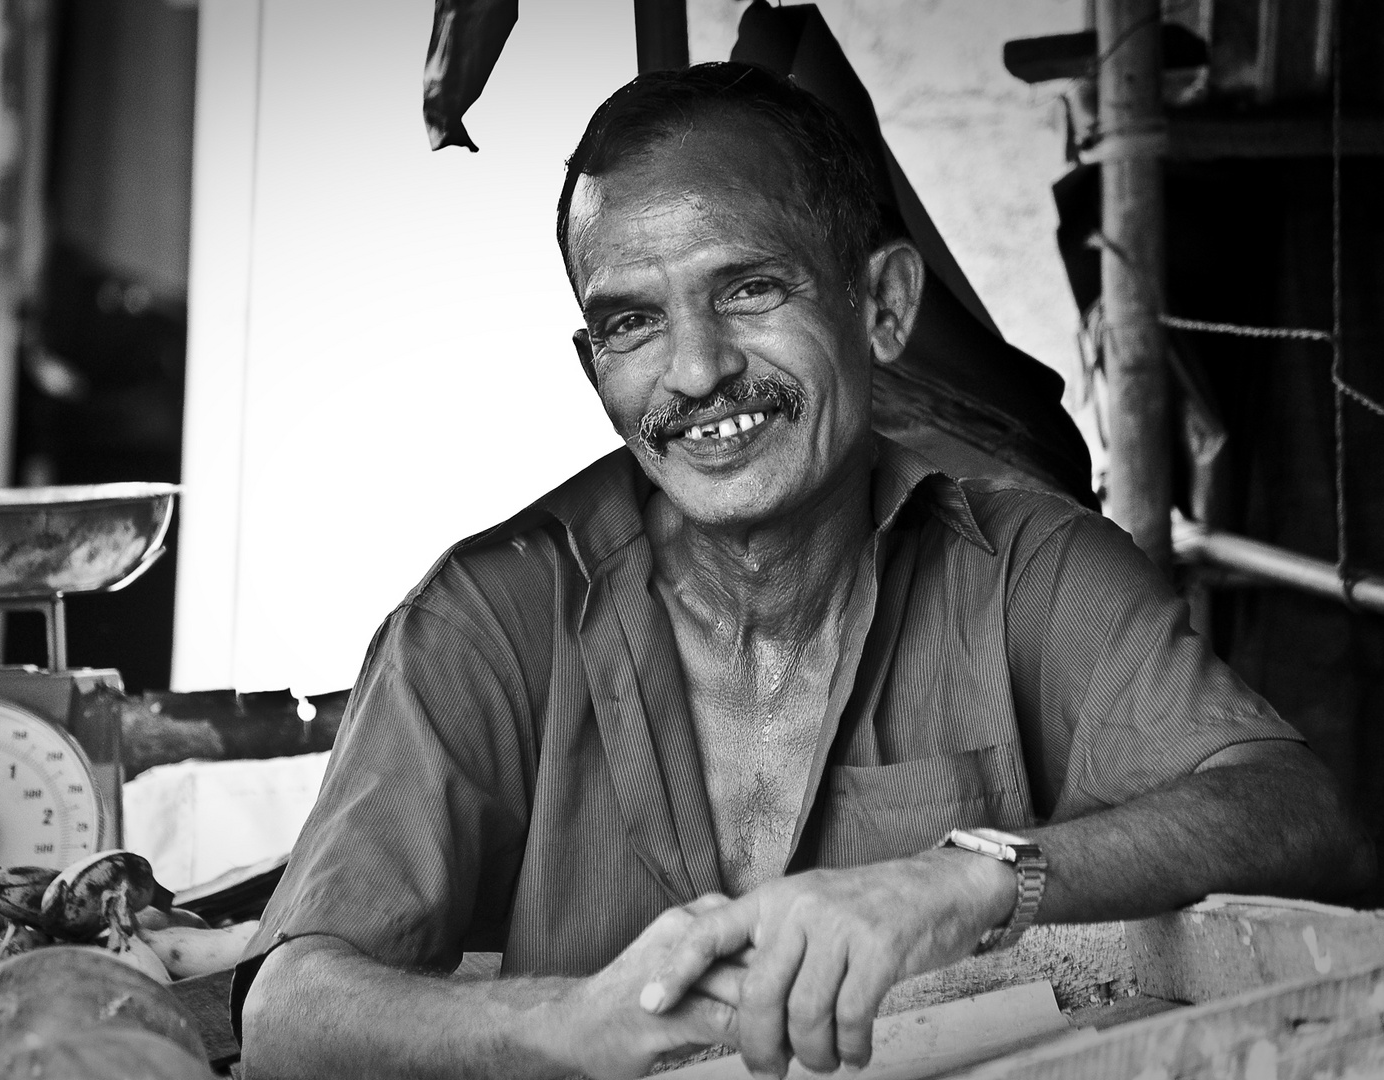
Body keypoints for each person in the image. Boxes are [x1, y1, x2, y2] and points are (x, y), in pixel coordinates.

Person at [236, 63, 1374, 1080]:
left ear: (880, 306)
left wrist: (967, 879)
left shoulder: (1025, 565)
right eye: (632, 323)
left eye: (747, 289)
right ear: (593, 365)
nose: (695, 372)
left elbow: (1297, 810)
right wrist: (556, 1029)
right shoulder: (488, 616)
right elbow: (288, 1010)